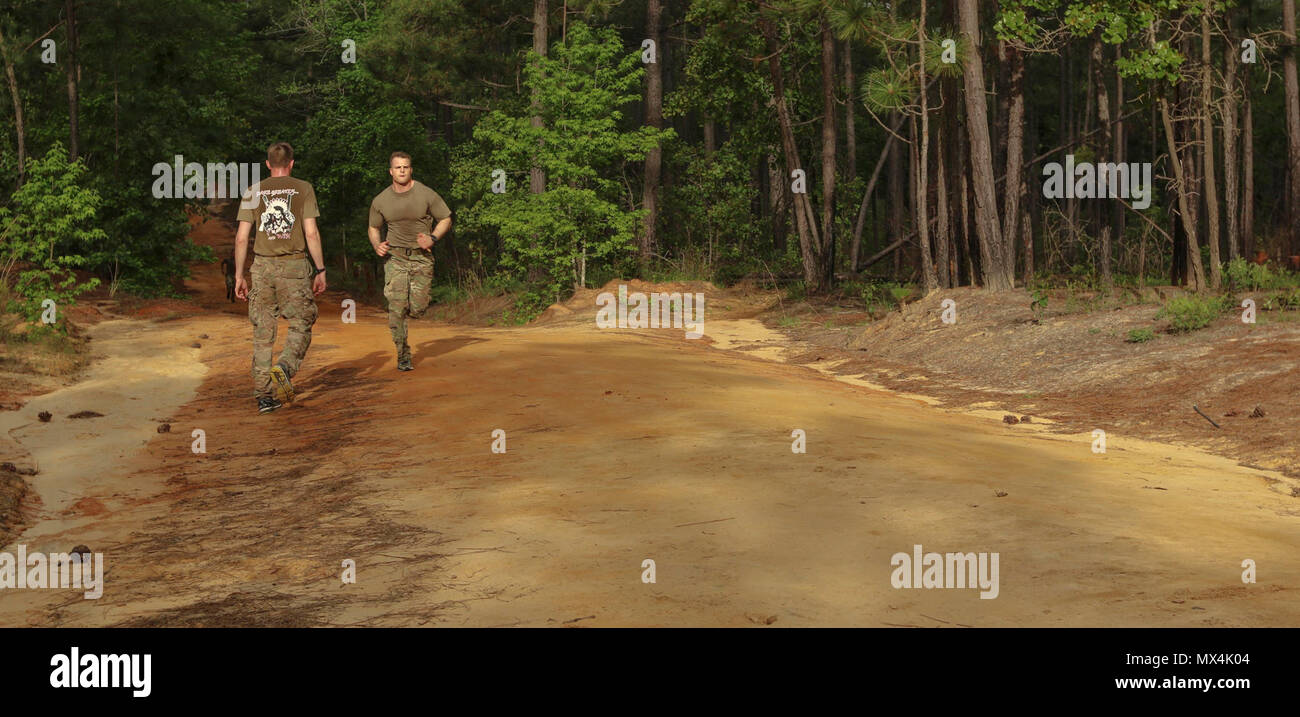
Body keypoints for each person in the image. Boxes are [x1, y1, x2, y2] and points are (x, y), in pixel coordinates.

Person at [233, 142, 328, 414]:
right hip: (294, 267)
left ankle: (263, 396)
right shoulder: (303, 188)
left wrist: (240, 275)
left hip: (261, 269)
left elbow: (242, 237)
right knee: (301, 322)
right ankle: (285, 367)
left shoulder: (253, 191)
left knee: (263, 333)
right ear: (292, 163)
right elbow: (311, 233)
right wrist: (320, 269)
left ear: (267, 164)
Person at [367, 151, 452, 371]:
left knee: (418, 308)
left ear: (410, 169)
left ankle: (413, 311)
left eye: (405, 167)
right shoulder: (381, 200)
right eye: (398, 167)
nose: (402, 171)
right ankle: (403, 353)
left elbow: (445, 218)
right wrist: (377, 245)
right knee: (396, 307)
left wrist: (432, 237)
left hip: (421, 257)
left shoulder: (425, 193)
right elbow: (374, 227)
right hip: (395, 257)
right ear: (391, 171)